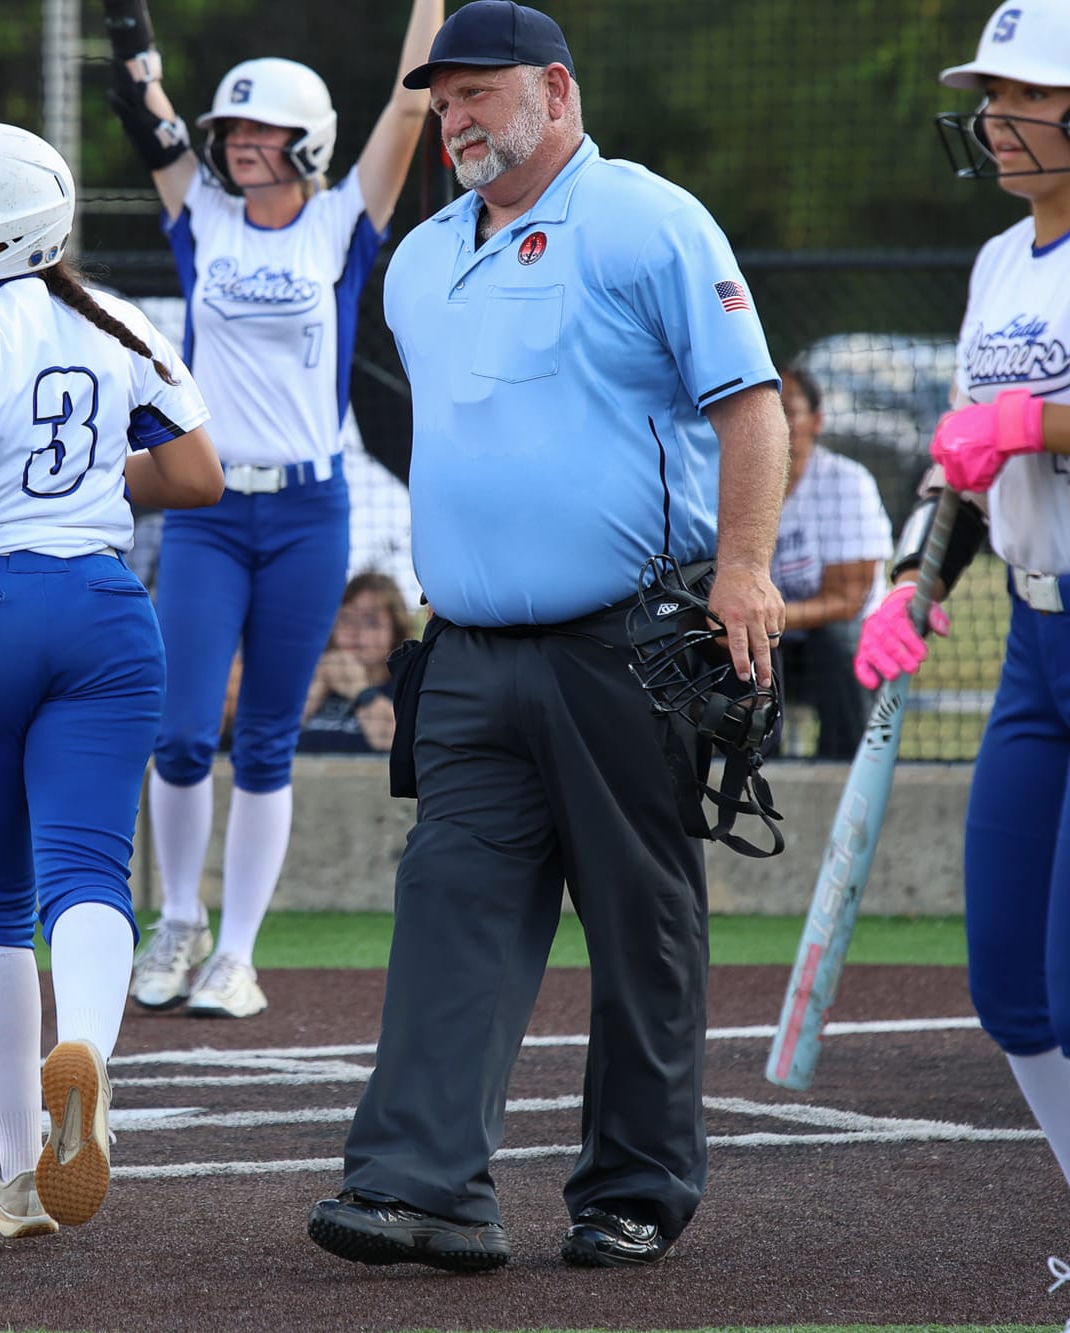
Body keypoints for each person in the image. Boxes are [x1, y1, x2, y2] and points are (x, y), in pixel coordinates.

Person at [304, 2, 787, 1273]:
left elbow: (750, 408)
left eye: (477, 93)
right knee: (448, 903)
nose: (454, 117)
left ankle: (633, 1186)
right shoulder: (418, 259)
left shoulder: (645, 218)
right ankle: (422, 1187)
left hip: (627, 638)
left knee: (641, 920)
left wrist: (742, 569)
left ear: (554, 93)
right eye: (441, 98)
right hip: (461, 651)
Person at [0, 122, 223, 1237]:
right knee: (88, 871)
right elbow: (196, 474)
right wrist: (74, 489)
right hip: (108, 612)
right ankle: (91, 1058)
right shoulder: (119, 323)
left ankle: (21, 1163)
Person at [103, 0, 443, 1021]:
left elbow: (407, 103)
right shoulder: (197, 212)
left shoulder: (344, 217)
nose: (236, 144)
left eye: (257, 131)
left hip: (307, 510)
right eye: (229, 131)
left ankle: (235, 953)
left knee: (265, 741)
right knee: (176, 731)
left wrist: (428, 3)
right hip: (207, 508)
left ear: (307, 141)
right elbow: (147, 110)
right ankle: (175, 923)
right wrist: (130, 44)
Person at [867, 0, 1070, 1203]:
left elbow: (1005, 434)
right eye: (988, 98)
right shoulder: (997, 261)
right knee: (1009, 988)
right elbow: (958, 465)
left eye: (1022, 97)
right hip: (1032, 644)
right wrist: (912, 579)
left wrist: (1033, 422)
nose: (991, 120)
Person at [769, 363, 889, 759]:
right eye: (765, 407)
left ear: (817, 421)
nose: (774, 420)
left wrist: (766, 617)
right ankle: (741, 772)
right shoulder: (725, 480)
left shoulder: (848, 483)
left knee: (839, 641)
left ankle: (845, 771)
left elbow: (847, 599)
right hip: (773, 644)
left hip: (836, 646)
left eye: (787, 409)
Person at [297, 572, 415, 755]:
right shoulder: (307, 679)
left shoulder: (409, 689)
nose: (354, 631)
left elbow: (401, 745)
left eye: (370, 622)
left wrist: (361, 691)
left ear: (395, 632)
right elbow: (268, 739)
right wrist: (317, 685)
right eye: (345, 618)